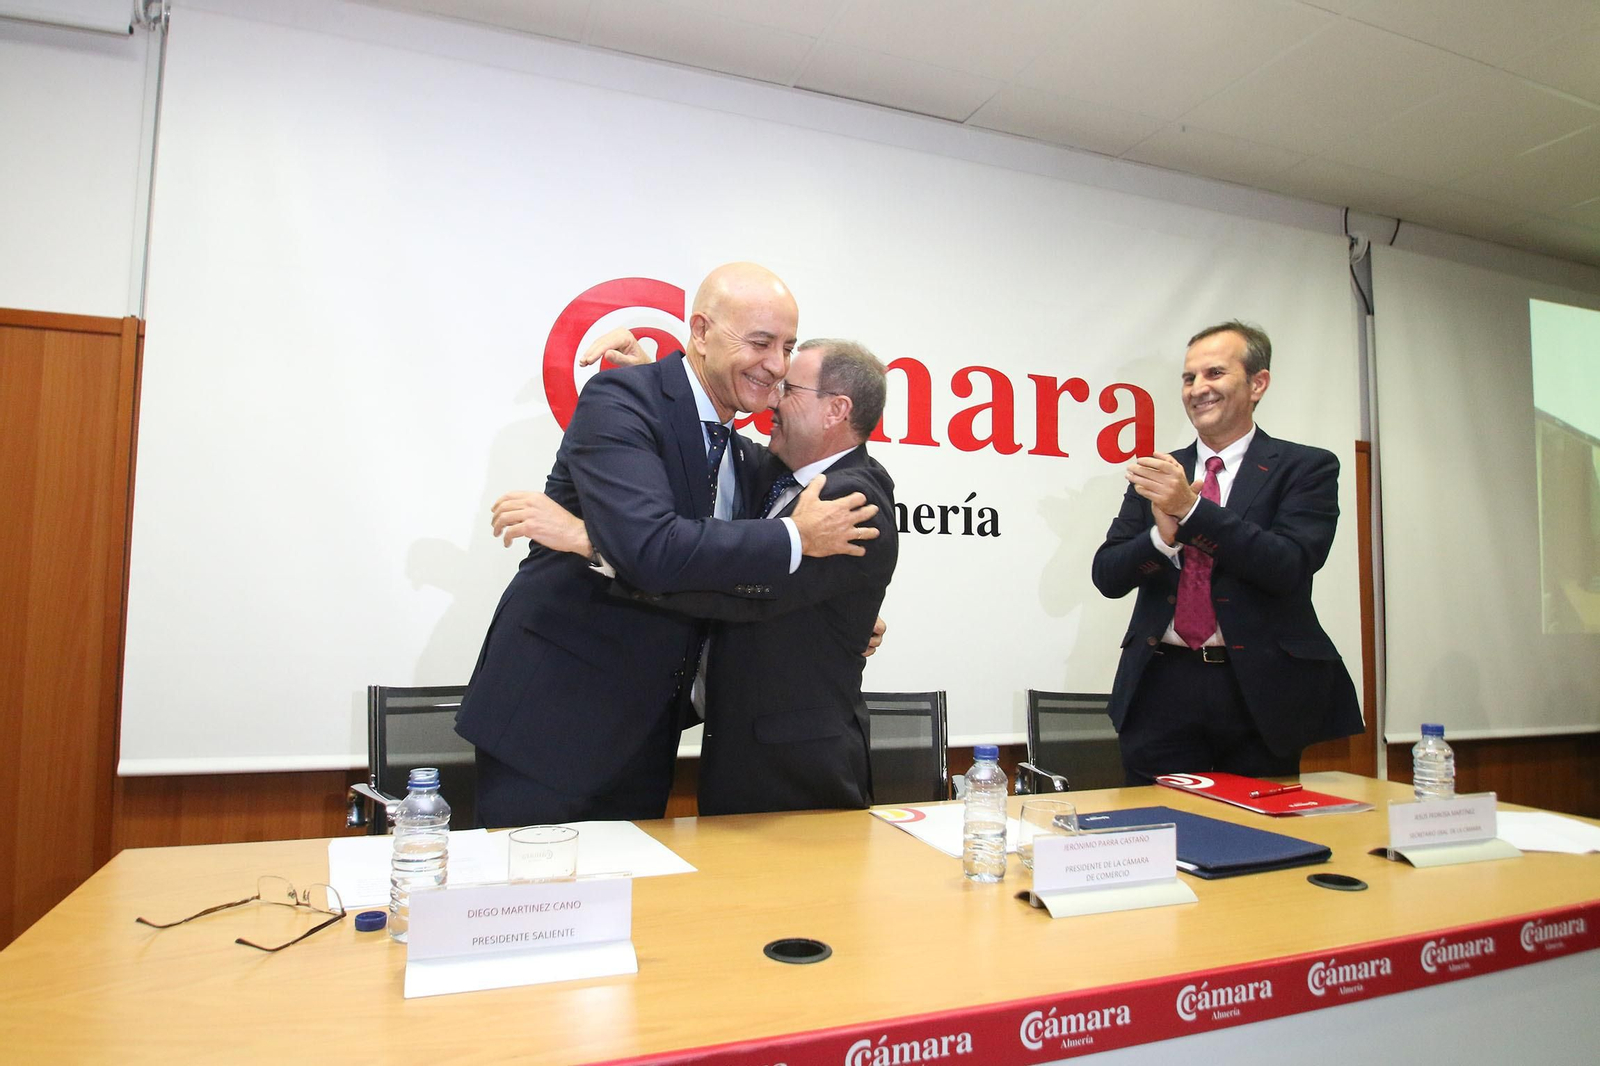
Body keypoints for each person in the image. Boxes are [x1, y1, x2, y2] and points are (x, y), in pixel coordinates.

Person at [454, 263, 879, 826]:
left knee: (633, 911)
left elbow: (728, 558)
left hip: (648, 736)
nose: (776, 365)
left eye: (787, 346)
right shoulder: (620, 402)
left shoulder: (748, 457)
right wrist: (793, 537)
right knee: (527, 907)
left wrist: (839, 616)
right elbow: (652, 548)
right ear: (700, 332)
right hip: (553, 723)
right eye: (759, 342)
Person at [1091, 321, 1362, 784]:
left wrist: (1191, 511)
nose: (1198, 389)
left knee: (1258, 839)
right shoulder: (1162, 472)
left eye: (1214, 373)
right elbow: (1108, 575)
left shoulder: (1305, 467)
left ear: (1258, 384)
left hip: (1259, 690)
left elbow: (1288, 565)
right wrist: (1161, 538)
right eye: (1189, 378)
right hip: (1161, 686)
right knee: (1159, 835)